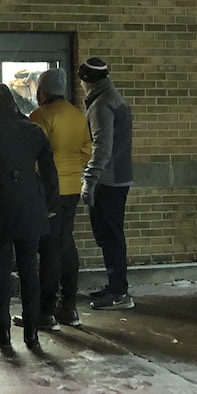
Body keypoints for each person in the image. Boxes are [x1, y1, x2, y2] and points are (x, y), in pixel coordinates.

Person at [0, 83, 58, 352]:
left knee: (1, 268)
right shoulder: (32, 130)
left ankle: (3, 331)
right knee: (29, 268)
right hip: (30, 204)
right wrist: (49, 203)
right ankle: (31, 333)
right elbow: (49, 170)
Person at [19, 67, 92, 330]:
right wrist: (73, 169)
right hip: (72, 188)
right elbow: (87, 150)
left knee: (49, 249)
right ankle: (69, 306)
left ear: (44, 92)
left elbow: (31, 153)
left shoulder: (40, 116)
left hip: (48, 191)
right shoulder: (77, 116)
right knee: (66, 244)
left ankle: (46, 312)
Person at [77, 56, 135, 311]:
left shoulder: (101, 105)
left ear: (86, 80)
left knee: (110, 236)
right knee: (111, 235)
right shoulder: (111, 98)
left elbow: (102, 147)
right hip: (116, 177)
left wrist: (89, 180)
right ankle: (115, 287)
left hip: (108, 180)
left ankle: (119, 292)